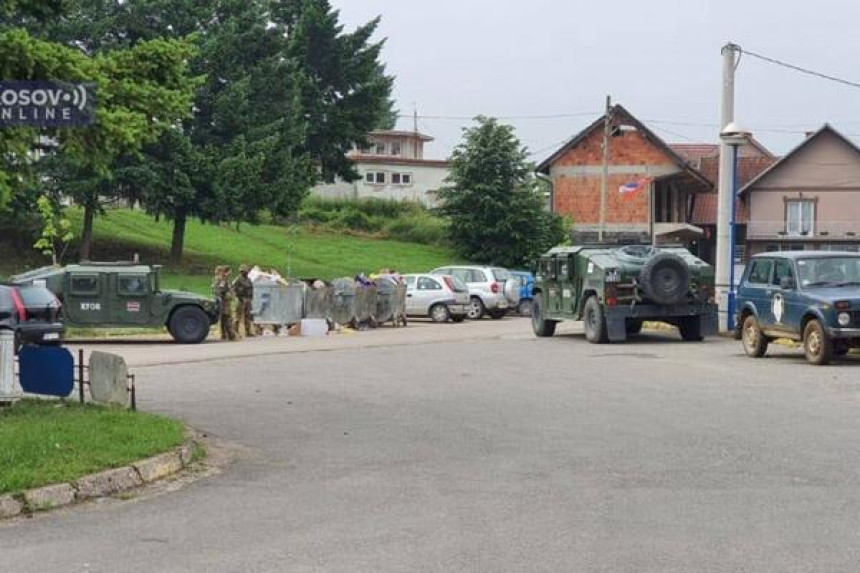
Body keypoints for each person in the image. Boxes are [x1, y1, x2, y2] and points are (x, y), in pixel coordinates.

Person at [212, 266, 236, 341]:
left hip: (223, 301)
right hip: (224, 302)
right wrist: (228, 295)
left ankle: (224, 335)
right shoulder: (220, 279)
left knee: (224, 318)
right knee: (227, 318)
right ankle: (231, 335)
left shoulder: (223, 280)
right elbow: (220, 291)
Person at [232, 264, 255, 338]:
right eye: (244, 271)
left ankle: (248, 332)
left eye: (246, 271)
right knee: (237, 316)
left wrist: (250, 298)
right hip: (240, 299)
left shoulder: (248, 279)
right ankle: (235, 331)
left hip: (247, 299)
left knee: (248, 316)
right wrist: (238, 298)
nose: (246, 272)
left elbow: (251, 289)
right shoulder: (238, 279)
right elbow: (233, 289)